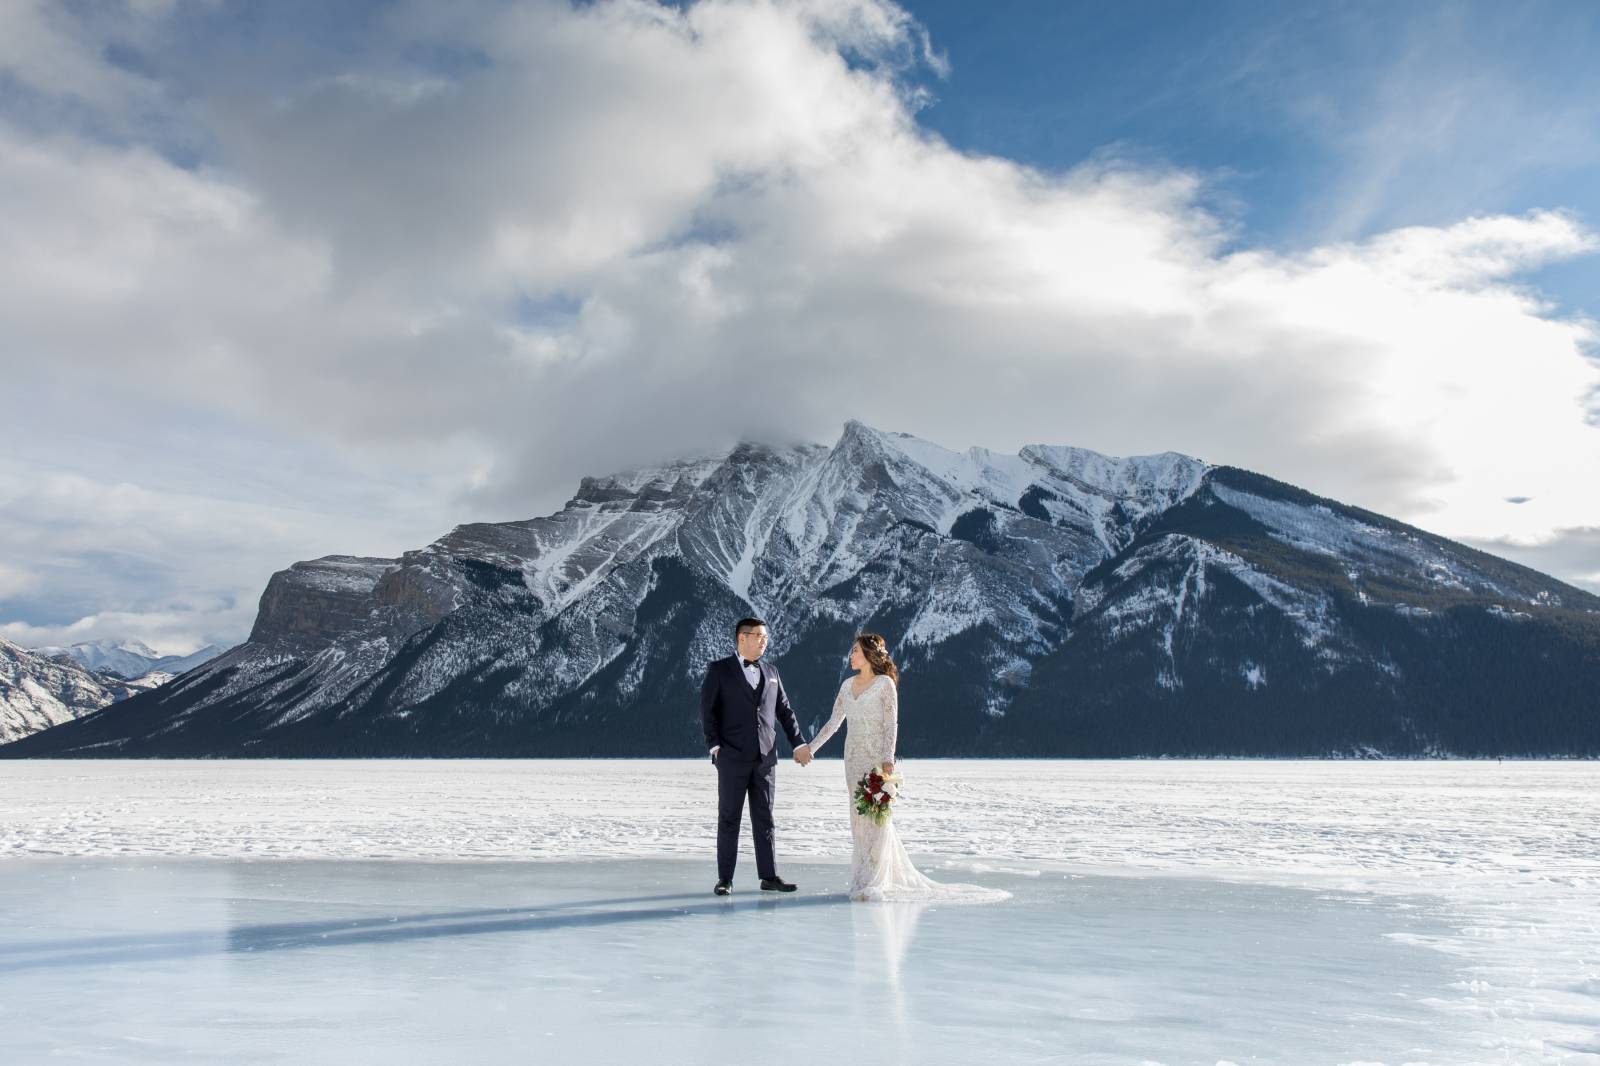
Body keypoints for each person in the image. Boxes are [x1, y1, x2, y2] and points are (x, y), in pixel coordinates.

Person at [808, 633, 1007, 903]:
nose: (850, 655)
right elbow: (833, 723)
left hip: (876, 760)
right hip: (852, 759)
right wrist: (811, 748)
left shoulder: (885, 684)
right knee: (857, 817)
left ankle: (875, 878)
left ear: (868, 654)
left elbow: (891, 725)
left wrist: (888, 760)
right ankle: (862, 876)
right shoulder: (846, 686)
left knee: (877, 817)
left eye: (855, 651)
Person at [700, 616, 813, 897]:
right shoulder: (719, 670)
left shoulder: (772, 671)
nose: (765, 641)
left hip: (765, 759)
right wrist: (715, 747)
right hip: (731, 758)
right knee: (729, 818)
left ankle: (769, 876)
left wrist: (798, 742)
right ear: (742, 638)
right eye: (759, 636)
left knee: (765, 818)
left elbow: (784, 711)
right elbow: (707, 711)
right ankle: (725, 879)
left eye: (766, 637)